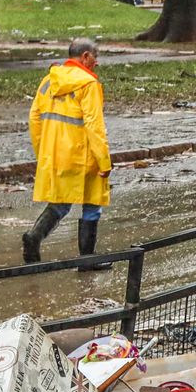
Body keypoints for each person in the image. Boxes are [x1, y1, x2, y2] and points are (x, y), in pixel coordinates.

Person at [24, 38, 112, 264]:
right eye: (95, 56)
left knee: (61, 203)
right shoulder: (88, 85)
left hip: (54, 154)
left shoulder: (48, 81)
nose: (97, 62)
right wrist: (104, 161)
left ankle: (34, 236)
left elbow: (34, 118)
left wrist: (42, 152)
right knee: (92, 204)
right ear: (85, 56)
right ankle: (87, 260)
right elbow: (94, 125)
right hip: (83, 154)